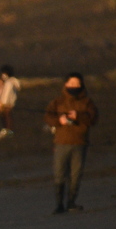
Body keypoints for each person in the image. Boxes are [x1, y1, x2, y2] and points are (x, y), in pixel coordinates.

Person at [44, 73, 98, 214]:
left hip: (80, 143)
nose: (74, 86)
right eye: (71, 83)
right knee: (59, 173)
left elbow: (93, 118)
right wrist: (59, 120)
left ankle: (71, 202)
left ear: (81, 85)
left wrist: (78, 116)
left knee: (76, 174)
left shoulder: (87, 102)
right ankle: (59, 204)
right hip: (61, 142)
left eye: (77, 84)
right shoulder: (58, 102)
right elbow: (48, 117)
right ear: (66, 84)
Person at [0, 64, 21, 140]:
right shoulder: (11, 82)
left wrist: (3, 103)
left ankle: (8, 131)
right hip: (9, 102)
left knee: (6, 116)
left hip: (7, 103)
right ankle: (7, 131)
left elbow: (7, 94)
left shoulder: (9, 83)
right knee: (5, 116)